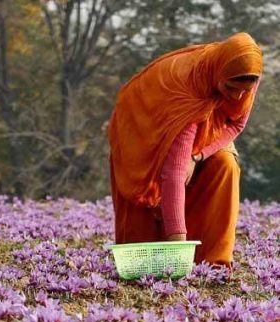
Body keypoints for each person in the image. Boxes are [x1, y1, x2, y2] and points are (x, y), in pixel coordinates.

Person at [108, 32, 263, 267]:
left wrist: (198, 155)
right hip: (147, 123)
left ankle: (212, 261)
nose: (237, 96)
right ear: (220, 74)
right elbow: (174, 174)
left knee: (226, 164)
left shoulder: (244, 75)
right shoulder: (188, 93)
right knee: (145, 230)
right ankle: (171, 250)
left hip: (208, 128)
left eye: (244, 91)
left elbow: (236, 124)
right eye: (231, 88)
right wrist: (177, 244)